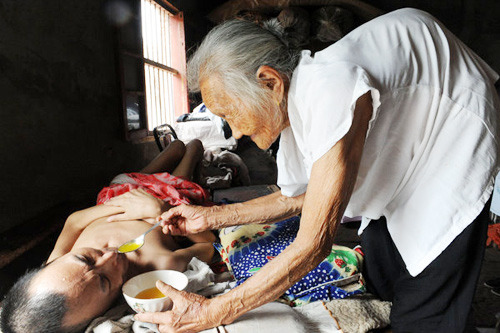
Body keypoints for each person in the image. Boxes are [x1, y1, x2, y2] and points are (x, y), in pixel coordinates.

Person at [131, 8, 500, 333]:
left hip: (455, 123)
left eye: (230, 114)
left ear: (270, 82)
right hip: (412, 134)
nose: (236, 131)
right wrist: (211, 216)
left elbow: (313, 242)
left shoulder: (329, 88)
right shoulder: (294, 100)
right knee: (384, 274)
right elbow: (301, 197)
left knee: (426, 299)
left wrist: (216, 310)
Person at [0, 139, 216, 333]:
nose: (109, 256)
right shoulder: (162, 264)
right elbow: (210, 243)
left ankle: (175, 148)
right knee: (184, 169)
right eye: (104, 281)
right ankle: (193, 150)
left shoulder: (58, 267)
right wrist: (162, 209)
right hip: (169, 203)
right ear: (102, 313)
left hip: (123, 196)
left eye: (85, 258)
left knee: (150, 164)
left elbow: (73, 223)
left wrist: (124, 204)